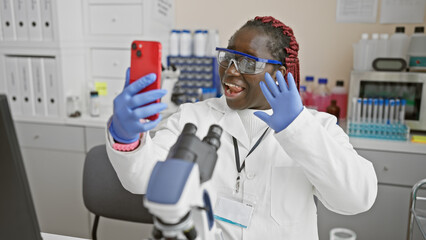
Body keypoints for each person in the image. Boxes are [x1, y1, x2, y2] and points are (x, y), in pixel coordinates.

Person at [106, 16, 377, 239]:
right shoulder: (194, 117)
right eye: (228, 57)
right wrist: (126, 135)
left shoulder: (317, 127)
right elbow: (141, 179)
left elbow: (356, 199)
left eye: (247, 62)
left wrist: (298, 129)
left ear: (280, 74)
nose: (231, 71)